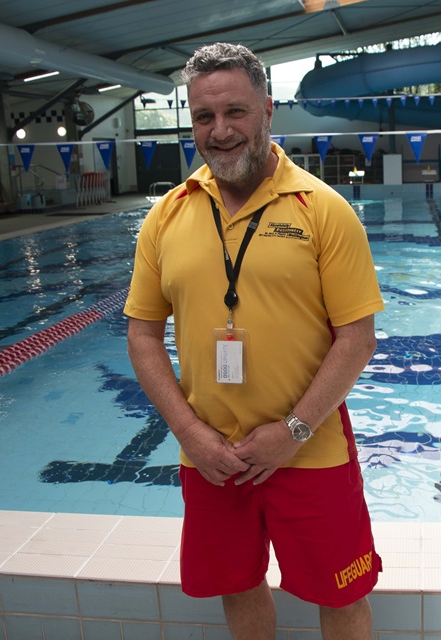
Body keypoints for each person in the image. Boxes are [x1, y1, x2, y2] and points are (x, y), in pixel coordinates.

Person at [123, 42, 384, 639]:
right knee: (238, 587)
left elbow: (358, 338)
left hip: (310, 449)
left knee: (340, 595)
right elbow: (142, 335)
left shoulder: (324, 209)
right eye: (204, 117)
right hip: (213, 458)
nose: (220, 131)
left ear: (267, 109)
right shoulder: (167, 215)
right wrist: (192, 435)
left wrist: (292, 431)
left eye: (235, 112)